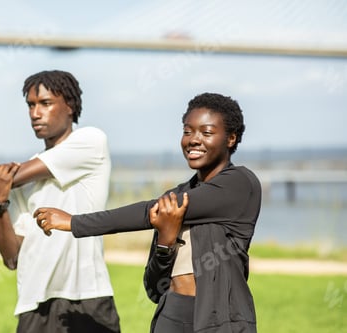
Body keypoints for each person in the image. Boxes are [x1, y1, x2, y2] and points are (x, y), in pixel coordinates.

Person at [34, 92, 262, 333]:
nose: (194, 140)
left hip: (219, 319)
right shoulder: (176, 196)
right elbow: (153, 289)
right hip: (171, 315)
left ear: (231, 138)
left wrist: (74, 222)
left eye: (206, 133)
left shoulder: (239, 184)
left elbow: (146, 211)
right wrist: (165, 241)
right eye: (187, 131)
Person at [0, 70, 120, 333]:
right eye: (30, 105)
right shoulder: (16, 178)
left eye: (45, 103)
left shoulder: (90, 141)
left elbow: (10, 178)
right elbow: (11, 258)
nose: (35, 113)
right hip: (34, 303)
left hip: (89, 296)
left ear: (70, 106)